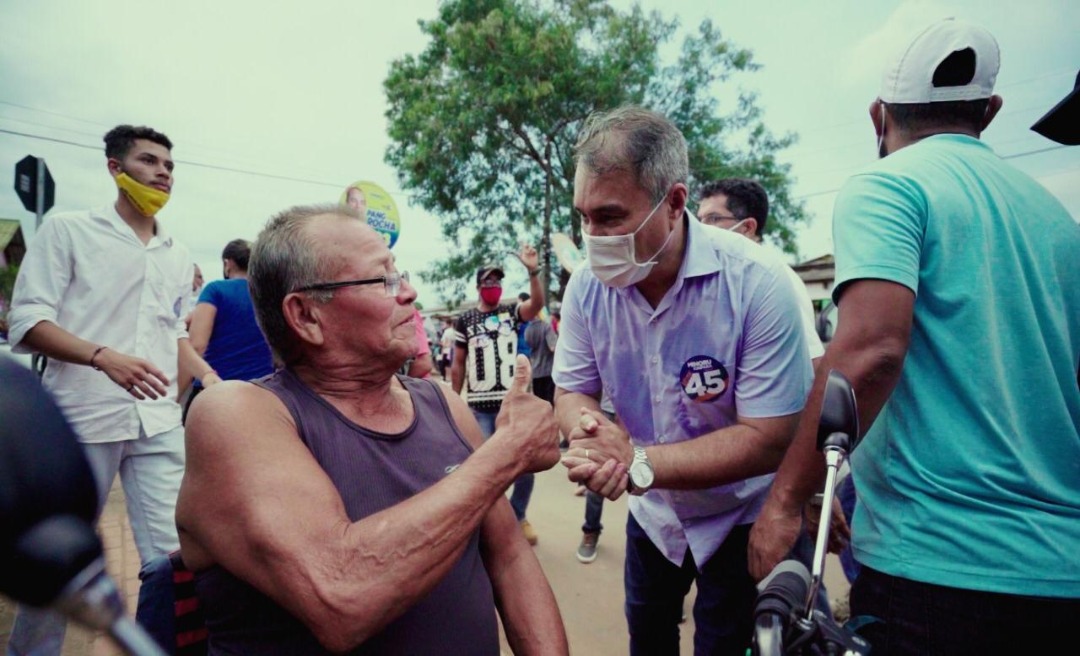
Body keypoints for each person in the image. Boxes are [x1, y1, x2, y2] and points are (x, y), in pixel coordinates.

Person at [747, 18, 1080, 654]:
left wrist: (787, 500)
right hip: (1062, 576)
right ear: (990, 110)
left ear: (879, 116)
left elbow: (869, 352)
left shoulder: (888, 186)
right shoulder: (1057, 220)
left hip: (937, 570)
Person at [175, 204, 567, 655]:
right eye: (384, 280)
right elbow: (341, 595)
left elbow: (510, 557)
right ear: (305, 316)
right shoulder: (235, 415)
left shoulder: (443, 406)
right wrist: (507, 452)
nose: (410, 293)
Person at [552, 105, 813, 654]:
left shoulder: (758, 284)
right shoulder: (585, 289)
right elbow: (573, 389)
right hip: (654, 520)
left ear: (673, 203)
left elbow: (767, 437)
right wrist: (587, 431)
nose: (592, 236)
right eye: (584, 217)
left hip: (741, 514)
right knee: (647, 638)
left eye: (610, 217)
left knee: (725, 643)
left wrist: (635, 463)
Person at [5, 124, 220, 655]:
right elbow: (25, 325)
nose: (163, 173)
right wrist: (102, 357)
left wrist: (209, 377)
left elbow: (170, 333)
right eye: (149, 161)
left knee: (176, 556)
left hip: (156, 421)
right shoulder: (69, 231)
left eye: (169, 165)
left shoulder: (176, 251)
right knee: (59, 562)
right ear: (114, 169)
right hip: (81, 418)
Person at [451, 251, 546, 545]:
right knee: (486, 468)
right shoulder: (464, 321)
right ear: (479, 285)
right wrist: (454, 402)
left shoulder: (511, 313)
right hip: (480, 408)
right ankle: (495, 525)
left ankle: (518, 516)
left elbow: (537, 305)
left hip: (512, 405)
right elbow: (458, 363)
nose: (494, 284)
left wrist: (532, 272)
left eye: (498, 279)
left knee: (525, 466)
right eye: (489, 279)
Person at [183, 239, 274, 422]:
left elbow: (197, 345)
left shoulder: (215, 290)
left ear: (228, 263)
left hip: (217, 391)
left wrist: (177, 392)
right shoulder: (269, 294)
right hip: (263, 393)